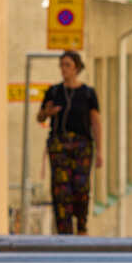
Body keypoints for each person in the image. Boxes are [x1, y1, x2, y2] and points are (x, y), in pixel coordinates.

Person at [36, 50, 101, 235]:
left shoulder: (87, 93)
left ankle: (81, 226)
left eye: (68, 65)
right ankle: (64, 231)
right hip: (59, 144)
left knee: (81, 186)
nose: (63, 69)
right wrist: (47, 113)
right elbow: (40, 117)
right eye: (61, 65)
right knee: (61, 188)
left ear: (77, 68)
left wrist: (100, 150)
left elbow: (96, 121)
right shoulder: (54, 91)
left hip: (82, 145)